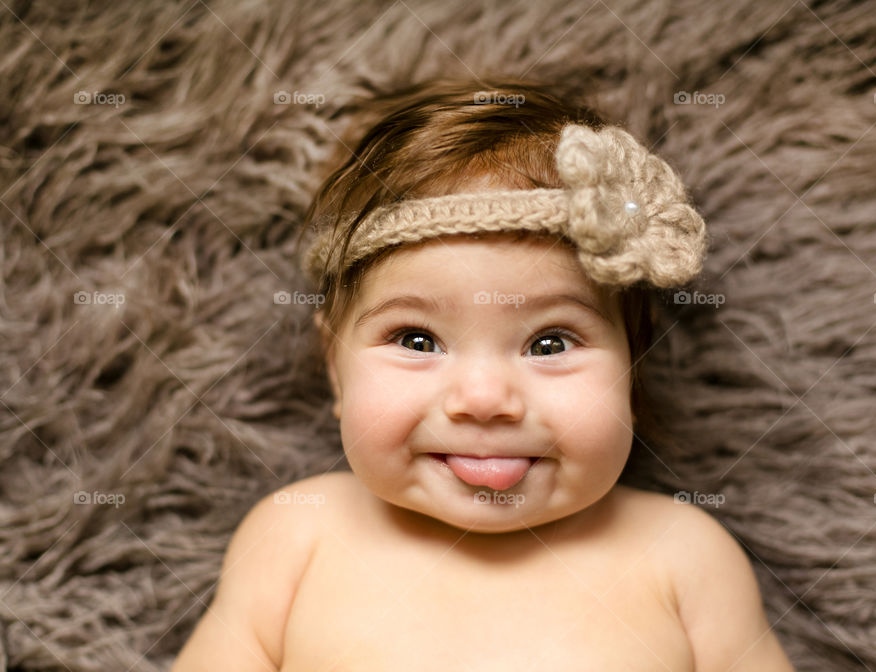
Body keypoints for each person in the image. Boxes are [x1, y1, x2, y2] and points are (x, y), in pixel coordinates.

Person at [172, 77, 794, 670]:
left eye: (550, 344)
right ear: (335, 369)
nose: (484, 398)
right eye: (416, 339)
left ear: (632, 367)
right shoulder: (297, 537)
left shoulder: (684, 557)